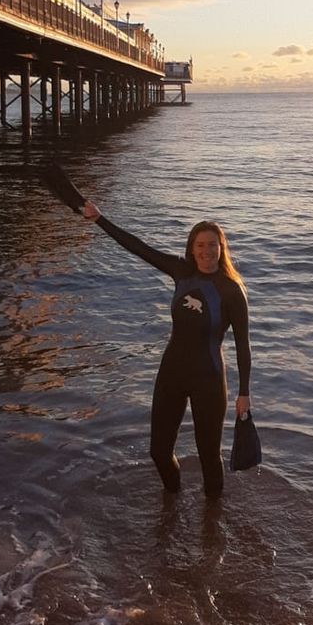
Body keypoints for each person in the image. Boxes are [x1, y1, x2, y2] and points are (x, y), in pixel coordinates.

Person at [82, 201, 251, 499]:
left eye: (213, 245)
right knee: (159, 452)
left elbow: (243, 344)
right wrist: (99, 220)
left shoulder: (231, 290)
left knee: (209, 457)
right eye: (200, 245)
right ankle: (171, 504)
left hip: (209, 379)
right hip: (171, 373)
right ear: (191, 248)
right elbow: (138, 247)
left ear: (222, 248)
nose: (206, 251)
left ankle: (212, 527)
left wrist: (244, 393)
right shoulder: (181, 272)